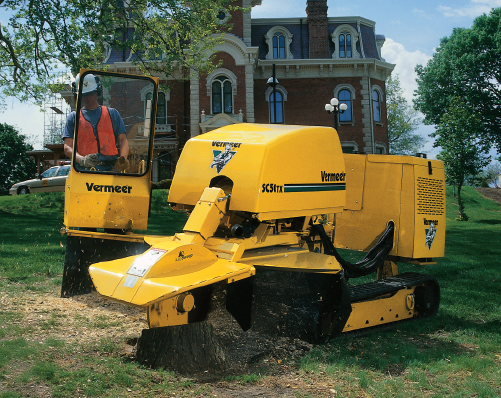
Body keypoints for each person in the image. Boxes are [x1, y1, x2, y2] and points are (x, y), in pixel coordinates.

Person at [63, 73, 129, 172]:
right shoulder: (73, 117)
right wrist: (82, 160)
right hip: (84, 170)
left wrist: (123, 159)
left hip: (111, 169)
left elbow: (123, 141)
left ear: (97, 91)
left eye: (90, 93)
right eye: (84, 95)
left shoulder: (112, 114)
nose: (87, 98)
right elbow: (67, 147)